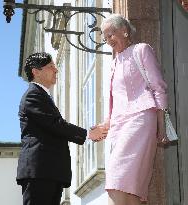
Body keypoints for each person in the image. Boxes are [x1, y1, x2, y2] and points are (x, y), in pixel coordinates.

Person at [93, 14, 169, 205]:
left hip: (140, 119)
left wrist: (162, 127)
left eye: (111, 34)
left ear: (124, 31)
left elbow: (158, 88)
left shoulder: (141, 50)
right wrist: (103, 127)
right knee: (129, 185)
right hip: (118, 127)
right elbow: (114, 101)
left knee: (117, 179)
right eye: (105, 37)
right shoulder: (114, 63)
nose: (108, 40)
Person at [16, 52, 108, 205]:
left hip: (49, 171)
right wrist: (88, 134)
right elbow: (55, 124)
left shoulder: (42, 95)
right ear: (36, 71)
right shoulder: (33, 95)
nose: (56, 70)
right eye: (51, 66)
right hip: (40, 172)